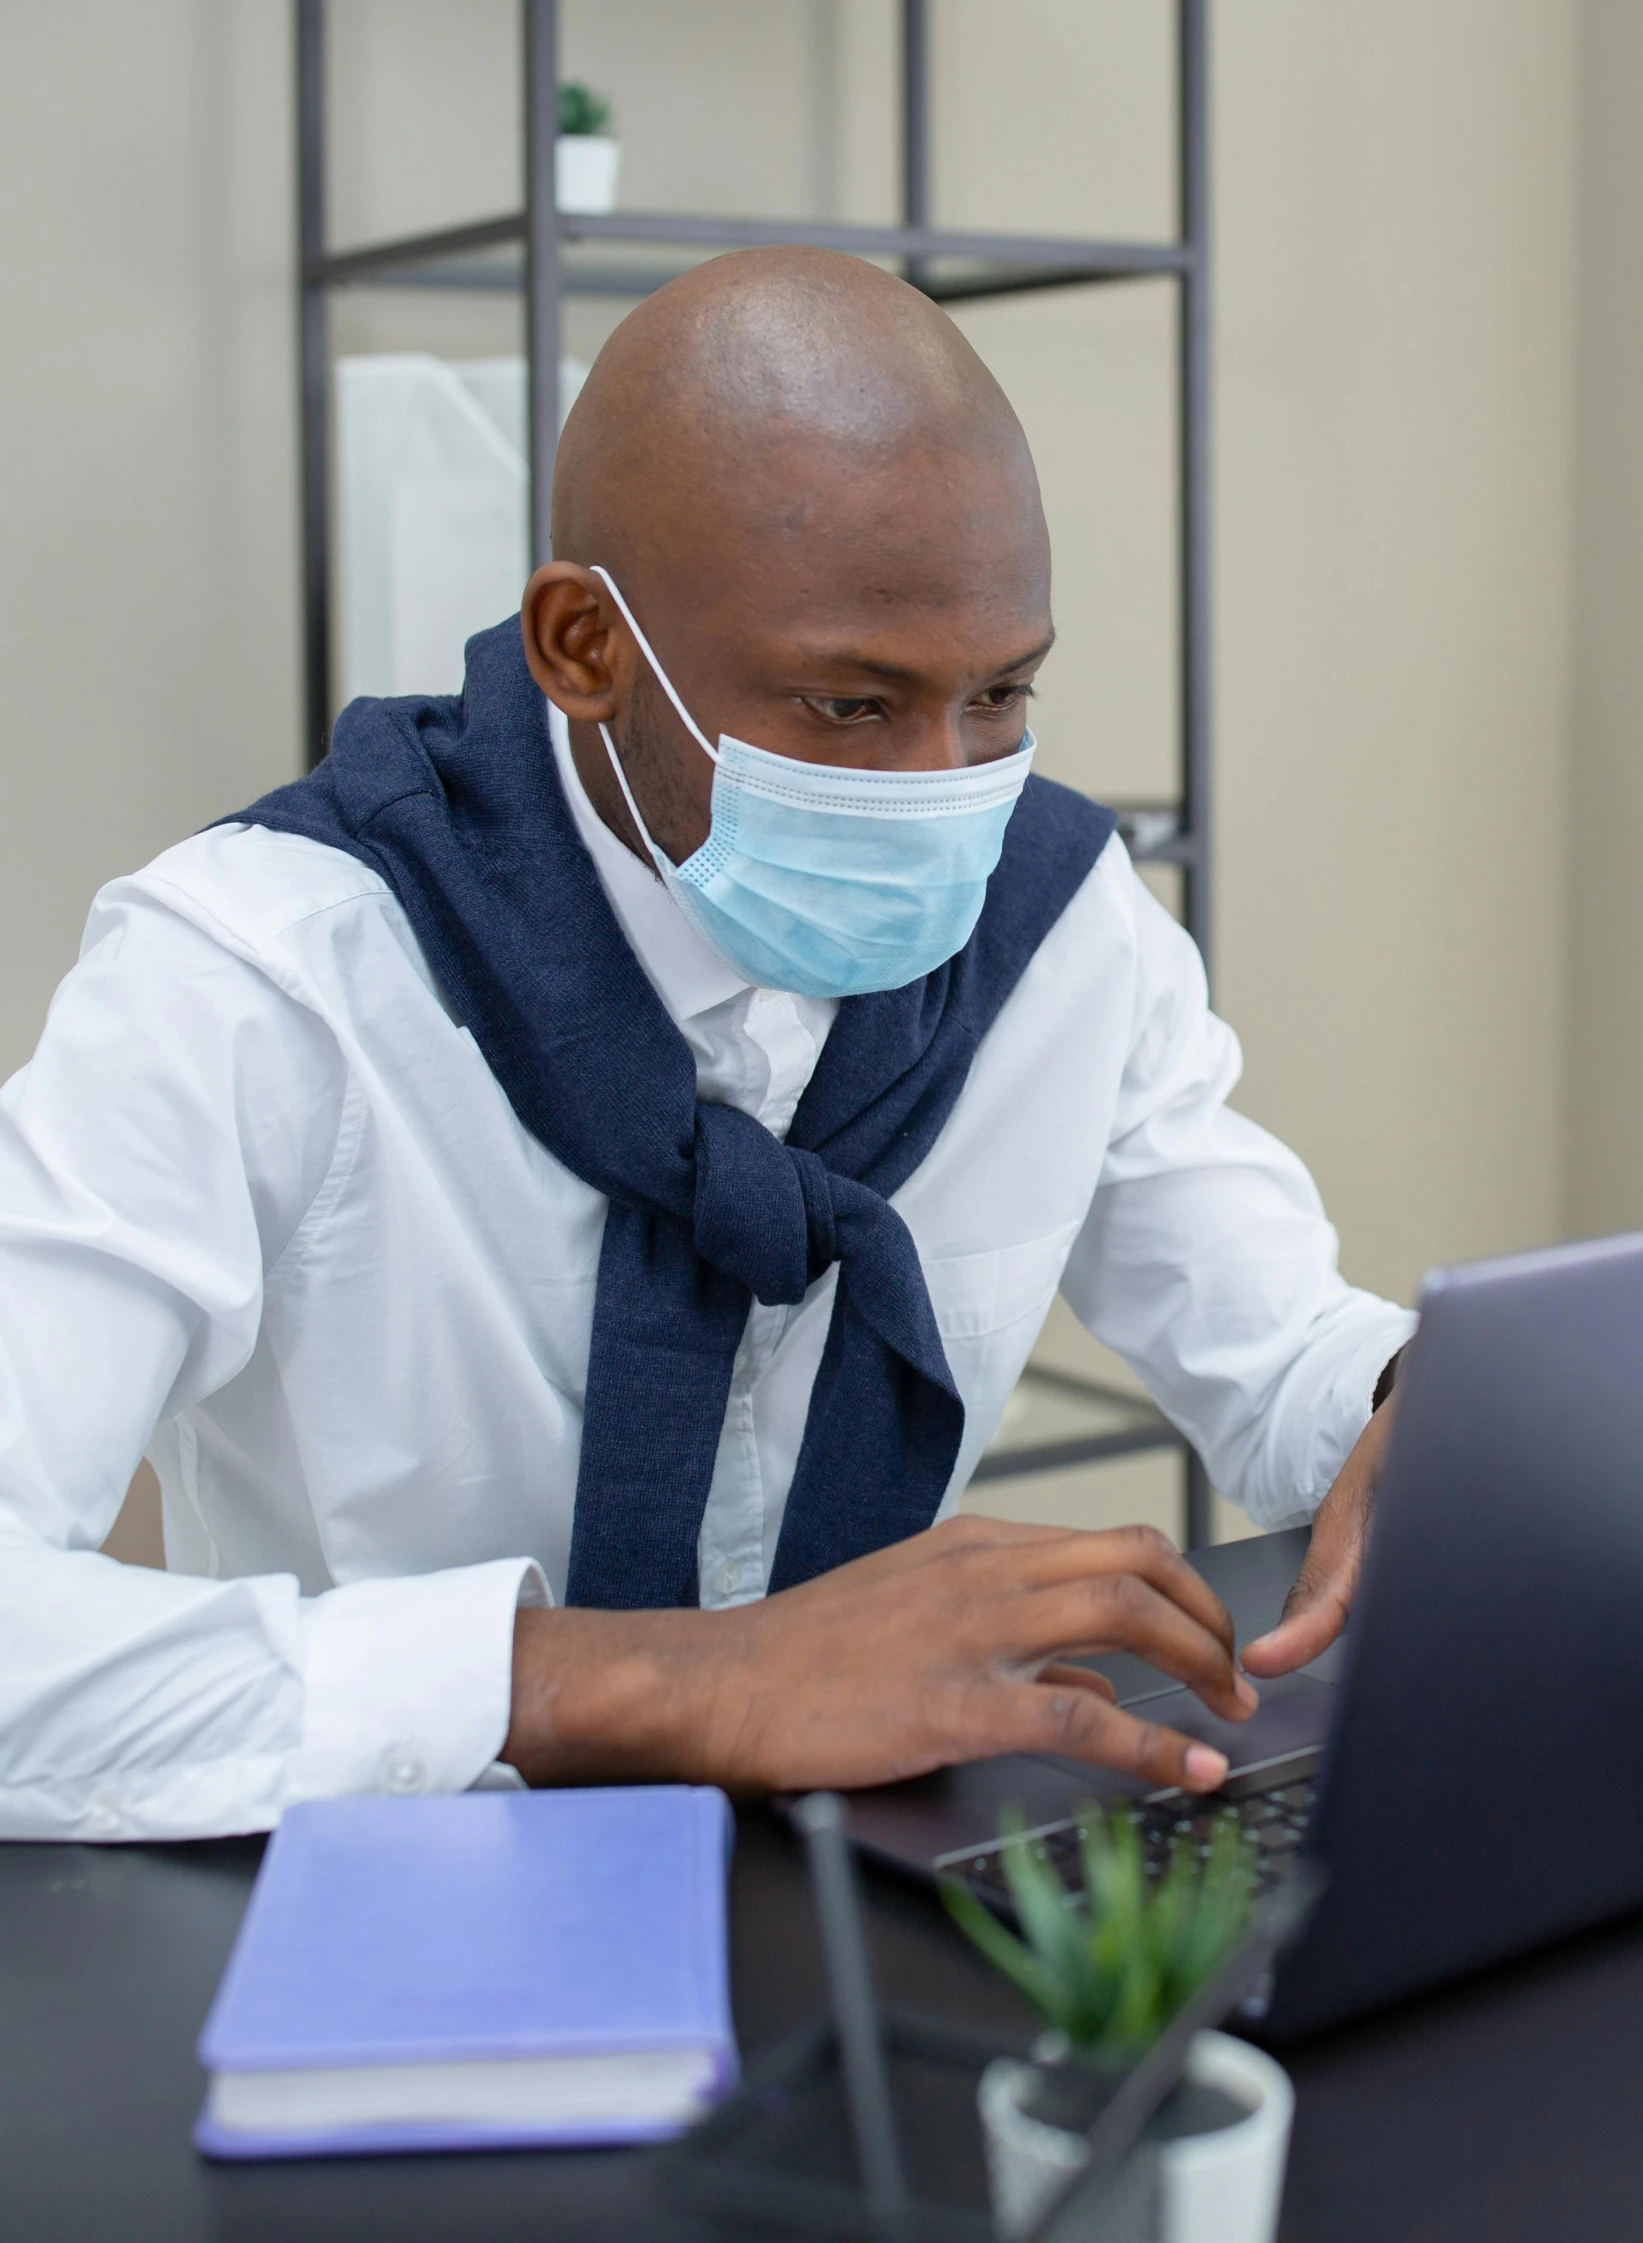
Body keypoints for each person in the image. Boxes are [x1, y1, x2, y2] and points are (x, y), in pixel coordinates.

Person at [0, 250, 1411, 1842]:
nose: (943, 787)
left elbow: (1283, 1347)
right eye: (849, 708)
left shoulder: (1060, 922)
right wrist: (680, 1680)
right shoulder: (262, 975)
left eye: (1002, 691)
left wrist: (1401, 1402)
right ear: (582, 647)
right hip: (377, 1903)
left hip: (871, 1889)